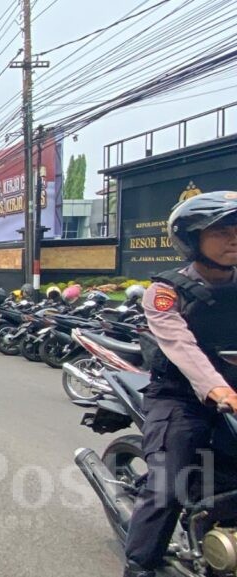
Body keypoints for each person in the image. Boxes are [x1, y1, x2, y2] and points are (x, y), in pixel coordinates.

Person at [123, 191, 237, 577]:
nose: (233, 238)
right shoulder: (166, 291)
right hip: (181, 399)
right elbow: (180, 345)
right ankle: (139, 566)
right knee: (168, 485)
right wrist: (217, 388)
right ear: (191, 238)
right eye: (221, 231)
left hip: (234, 398)